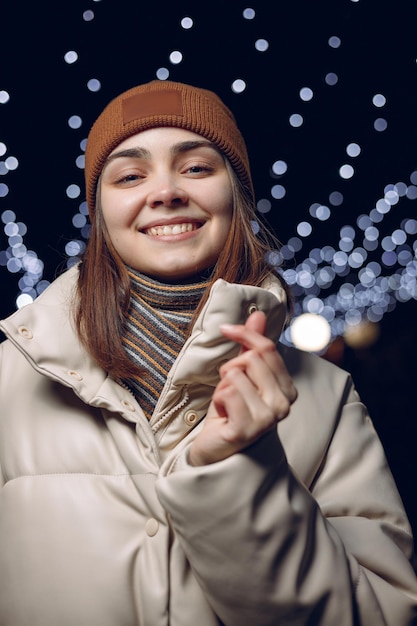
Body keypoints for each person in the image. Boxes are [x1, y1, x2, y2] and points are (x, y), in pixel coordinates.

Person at [0, 79, 416, 626]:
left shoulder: (328, 396)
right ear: (100, 212)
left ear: (236, 197)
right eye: (130, 174)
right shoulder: (10, 378)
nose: (166, 191)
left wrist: (239, 471)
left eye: (197, 167)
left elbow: (375, 617)